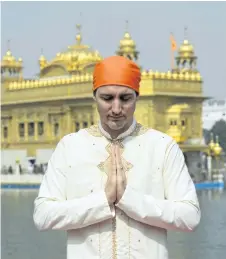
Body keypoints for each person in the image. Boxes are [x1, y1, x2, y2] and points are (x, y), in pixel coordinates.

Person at [33, 56, 201, 259]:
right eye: (107, 98)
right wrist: (102, 201)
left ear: (137, 97)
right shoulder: (70, 147)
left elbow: (190, 216)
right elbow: (42, 216)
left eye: (125, 98)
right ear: (94, 97)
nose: (116, 108)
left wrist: (129, 200)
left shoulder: (162, 146)